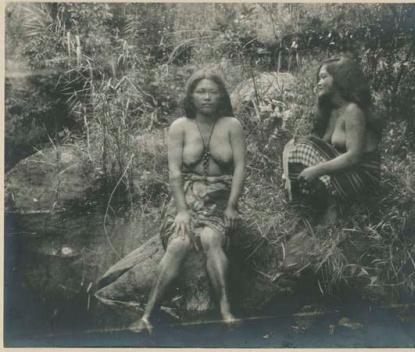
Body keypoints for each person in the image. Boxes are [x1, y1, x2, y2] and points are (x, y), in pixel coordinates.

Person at [95, 69, 245, 334]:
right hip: (185, 198)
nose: (207, 97)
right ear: (191, 96)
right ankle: (147, 316)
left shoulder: (232, 125)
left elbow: (240, 169)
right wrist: (181, 212)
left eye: (213, 92)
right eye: (201, 92)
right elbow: (174, 172)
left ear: (222, 95)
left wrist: (232, 206)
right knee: (178, 243)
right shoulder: (179, 127)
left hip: (219, 200)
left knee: (211, 239)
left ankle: (225, 310)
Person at [282, 54, 380, 212]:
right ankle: (305, 206)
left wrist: (315, 170)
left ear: (339, 79)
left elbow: (354, 156)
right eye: (318, 79)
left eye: (323, 77)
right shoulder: (333, 111)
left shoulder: (353, 110)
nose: (319, 83)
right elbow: (321, 146)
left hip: (362, 178)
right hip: (345, 175)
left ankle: (327, 209)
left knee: (304, 146)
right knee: (294, 145)